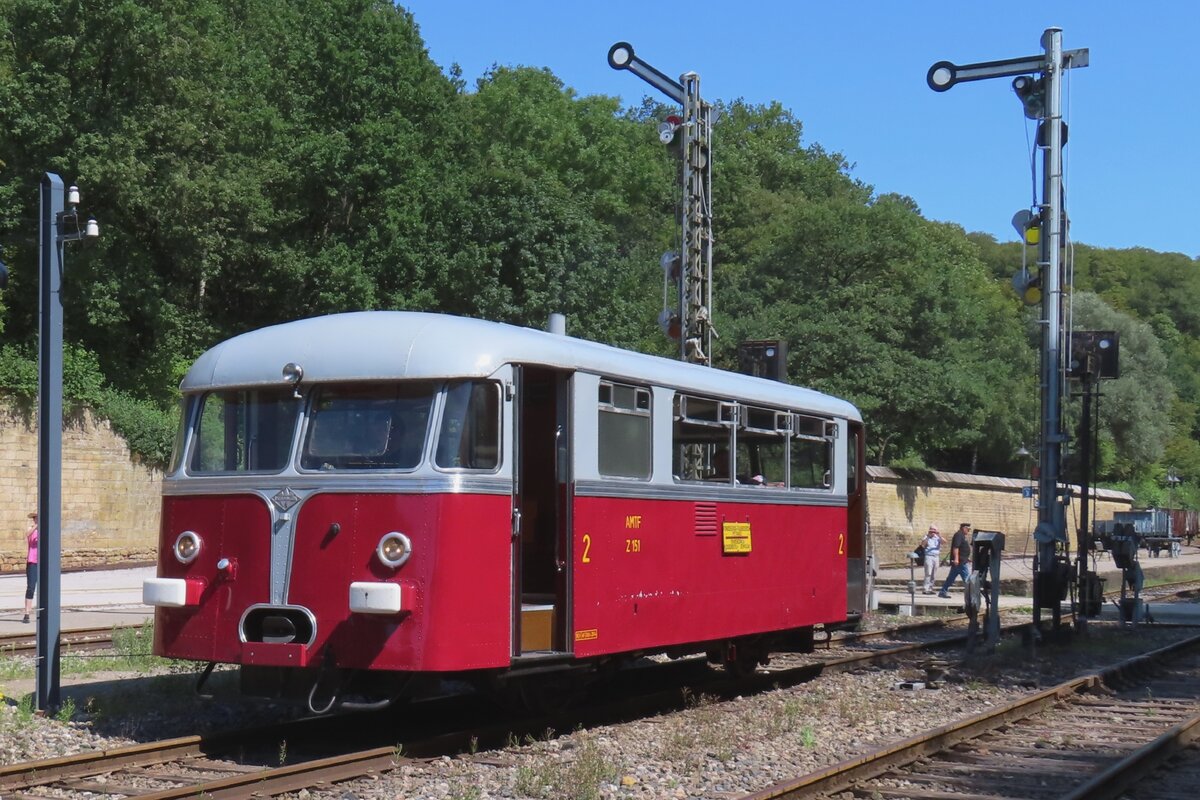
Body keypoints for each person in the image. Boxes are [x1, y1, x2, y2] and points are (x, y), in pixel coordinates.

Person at [938, 522, 972, 598]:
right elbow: (956, 547)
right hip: (960, 562)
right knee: (967, 579)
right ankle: (971, 594)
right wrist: (956, 558)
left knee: (951, 578)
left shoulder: (962, 535)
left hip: (961, 560)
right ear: (964, 528)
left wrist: (967, 558)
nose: (968, 531)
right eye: (968, 529)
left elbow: (962, 548)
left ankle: (943, 591)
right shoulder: (959, 535)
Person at [23, 511, 38, 624]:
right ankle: (27, 612)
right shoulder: (31, 528)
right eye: (34, 518)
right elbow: (27, 535)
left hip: (43, 562)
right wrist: (36, 526)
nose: (35, 519)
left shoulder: (45, 530)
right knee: (31, 587)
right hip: (32, 562)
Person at [919, 525, 942, 594]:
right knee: (928, 573)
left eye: (934, 530)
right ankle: (925, 589)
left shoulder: (937, 537)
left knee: (933, 574)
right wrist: (928, 537)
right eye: (932, 530)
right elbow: (923, 545)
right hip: (929, 556)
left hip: (936, 556)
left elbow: (944, 542)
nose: (933, 532)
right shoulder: (926, 537)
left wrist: (939, 535)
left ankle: (930, 588)